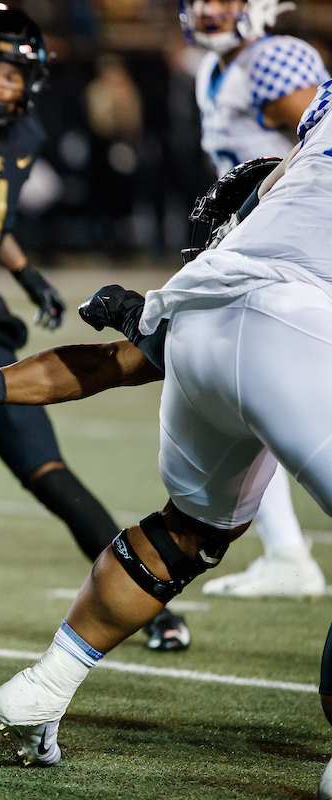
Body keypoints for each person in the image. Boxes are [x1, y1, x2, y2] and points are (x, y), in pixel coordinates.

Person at [0, 84, 332, 797]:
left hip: (202, 326)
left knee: (184, 532)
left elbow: (107, 366)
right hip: (295, 317)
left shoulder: (248, 230)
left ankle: (46, 684)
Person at [0, 4, 189, 653]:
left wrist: (29, 278)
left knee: (49, 469)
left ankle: (151, 603)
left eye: (10, 76)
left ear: (32, 82)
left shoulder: (23, 138)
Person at [180, 0, 328, 597]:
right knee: (247, 394)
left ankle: (289, 553)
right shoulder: (210, 70)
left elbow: (316, 146)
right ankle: (287, 552)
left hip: (297, 255)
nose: (210, 9)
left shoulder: (275, 61)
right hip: (254, 247)